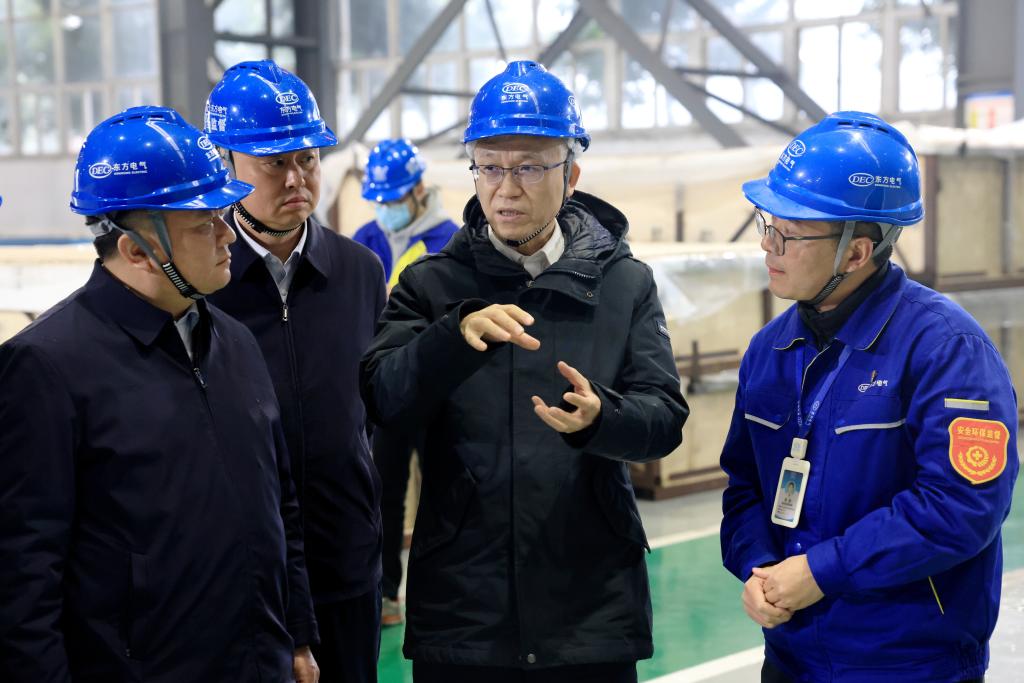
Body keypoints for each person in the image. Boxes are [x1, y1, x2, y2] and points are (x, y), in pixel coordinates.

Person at [360, 60, 689, 683]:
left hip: (589, 610)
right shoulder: (430, 286)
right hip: (465, 613)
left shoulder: (624, 284)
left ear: (571, 176)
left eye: (529, 168)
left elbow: (665, 419)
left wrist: (603, 418)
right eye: (490, 167)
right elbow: (382, 399)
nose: (506, 189)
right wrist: (450, 339)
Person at [0, 106, 319, 682]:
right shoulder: (47, 367)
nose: (228, 234)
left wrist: (295, 635)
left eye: (222, 214)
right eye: (204, 224)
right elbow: (24, 573)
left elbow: (280, 506)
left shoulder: (236, 343)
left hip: (258, 663)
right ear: (135, 250)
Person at [719, 111, 1019, 683]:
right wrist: (759, 567)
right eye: (768, 224)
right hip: (792, 657)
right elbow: (744, 486)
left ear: (856, 254)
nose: (767, 245)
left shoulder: (946, 350)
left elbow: (962, 507)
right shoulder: (769, 350)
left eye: (788, 234)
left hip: (909, 663)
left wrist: (822, 571)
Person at [204, 60, 386, 683]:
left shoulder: (360, 271)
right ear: (227, 163)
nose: (296, 178)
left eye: (307, 159)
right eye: (273, 163)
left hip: (347, 562)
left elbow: (371, 413)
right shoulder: (203, 285)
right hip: (244, 577)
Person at [353, 138, 459, 626]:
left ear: (418, 191)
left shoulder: (450, 242)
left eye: (392, 199)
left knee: (448, 493)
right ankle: (387, 594)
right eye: (378, 200)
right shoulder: (365, 240)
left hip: (439, 392)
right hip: (389, 391)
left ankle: (447, 595)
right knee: (385, 494)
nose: (385, 209)